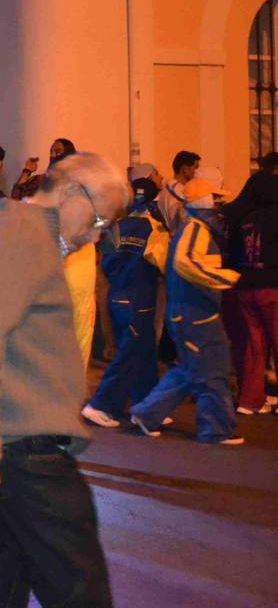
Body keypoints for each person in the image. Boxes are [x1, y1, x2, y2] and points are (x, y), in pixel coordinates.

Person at [0, 152, 126, 608]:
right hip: (25, 452)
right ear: (72, 193)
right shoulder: (20, 238)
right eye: (99, 218)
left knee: (0, 589)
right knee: (79, 599)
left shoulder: (11, 232)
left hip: (10, 447)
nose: (97, 234)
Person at [130, 172, 243, 444]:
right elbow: (185, 262)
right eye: (214, 198)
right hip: (196, 314)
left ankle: (146, 414)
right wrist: (222, 278)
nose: (217, 203)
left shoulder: (193, 228)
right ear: (204, 201)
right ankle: (215, 430)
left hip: (194, 313)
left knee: (191, 371)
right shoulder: (196, 230)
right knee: (210, 372)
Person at [81, 177, 169, 427]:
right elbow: (161, 263)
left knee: (142, 352)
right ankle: (100, 404)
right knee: (130, 355)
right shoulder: (154, 228)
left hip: (117, 297)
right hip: (140, 299)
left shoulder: (117, 226)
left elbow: (106, 262)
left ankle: (147, 404)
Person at [222, 173, 278, 414]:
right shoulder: (275, 216)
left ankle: (250, 400)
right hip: (272, 287)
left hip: (245, 288)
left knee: (255, 347)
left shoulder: (245, 218)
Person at [9, 137, 76, 200]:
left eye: (57, 152)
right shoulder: (40, 180)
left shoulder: (75, 183)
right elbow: (15, 197)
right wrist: (27, 170)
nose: (52, 155)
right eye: (51, 152)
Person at [157, 150, 201, 233]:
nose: (197, 172)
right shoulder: (181, 193)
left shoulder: (166, 189)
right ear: (185, 169)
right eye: (195, 168)